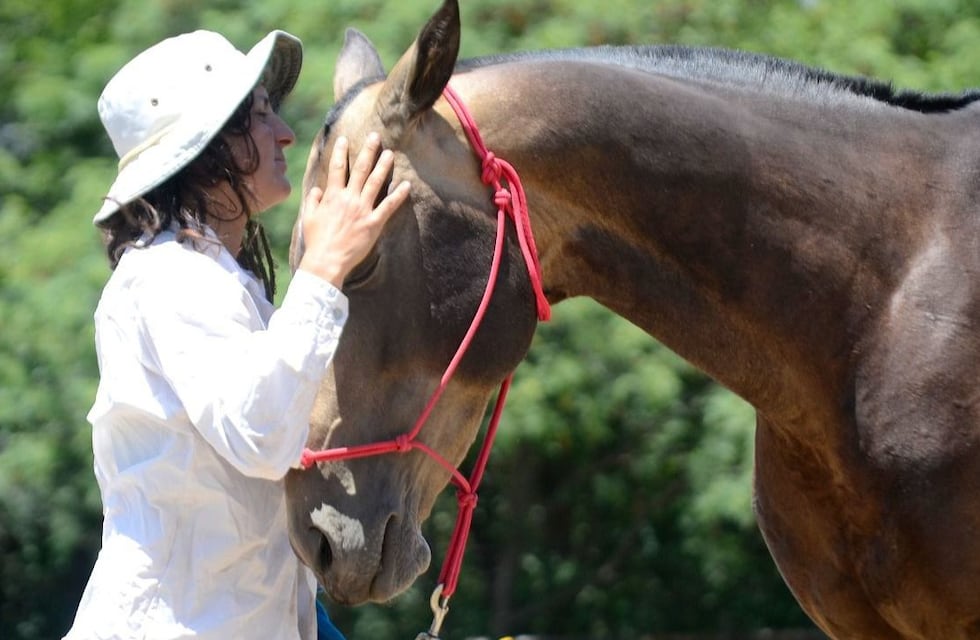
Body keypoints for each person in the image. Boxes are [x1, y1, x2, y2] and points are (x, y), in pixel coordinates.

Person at [63, 28, 409, 640]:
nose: (285, 133)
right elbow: (261, 434)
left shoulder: (218, 280)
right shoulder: (168, 275)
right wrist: (325, 267)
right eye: (257, 117)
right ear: (205, 151)